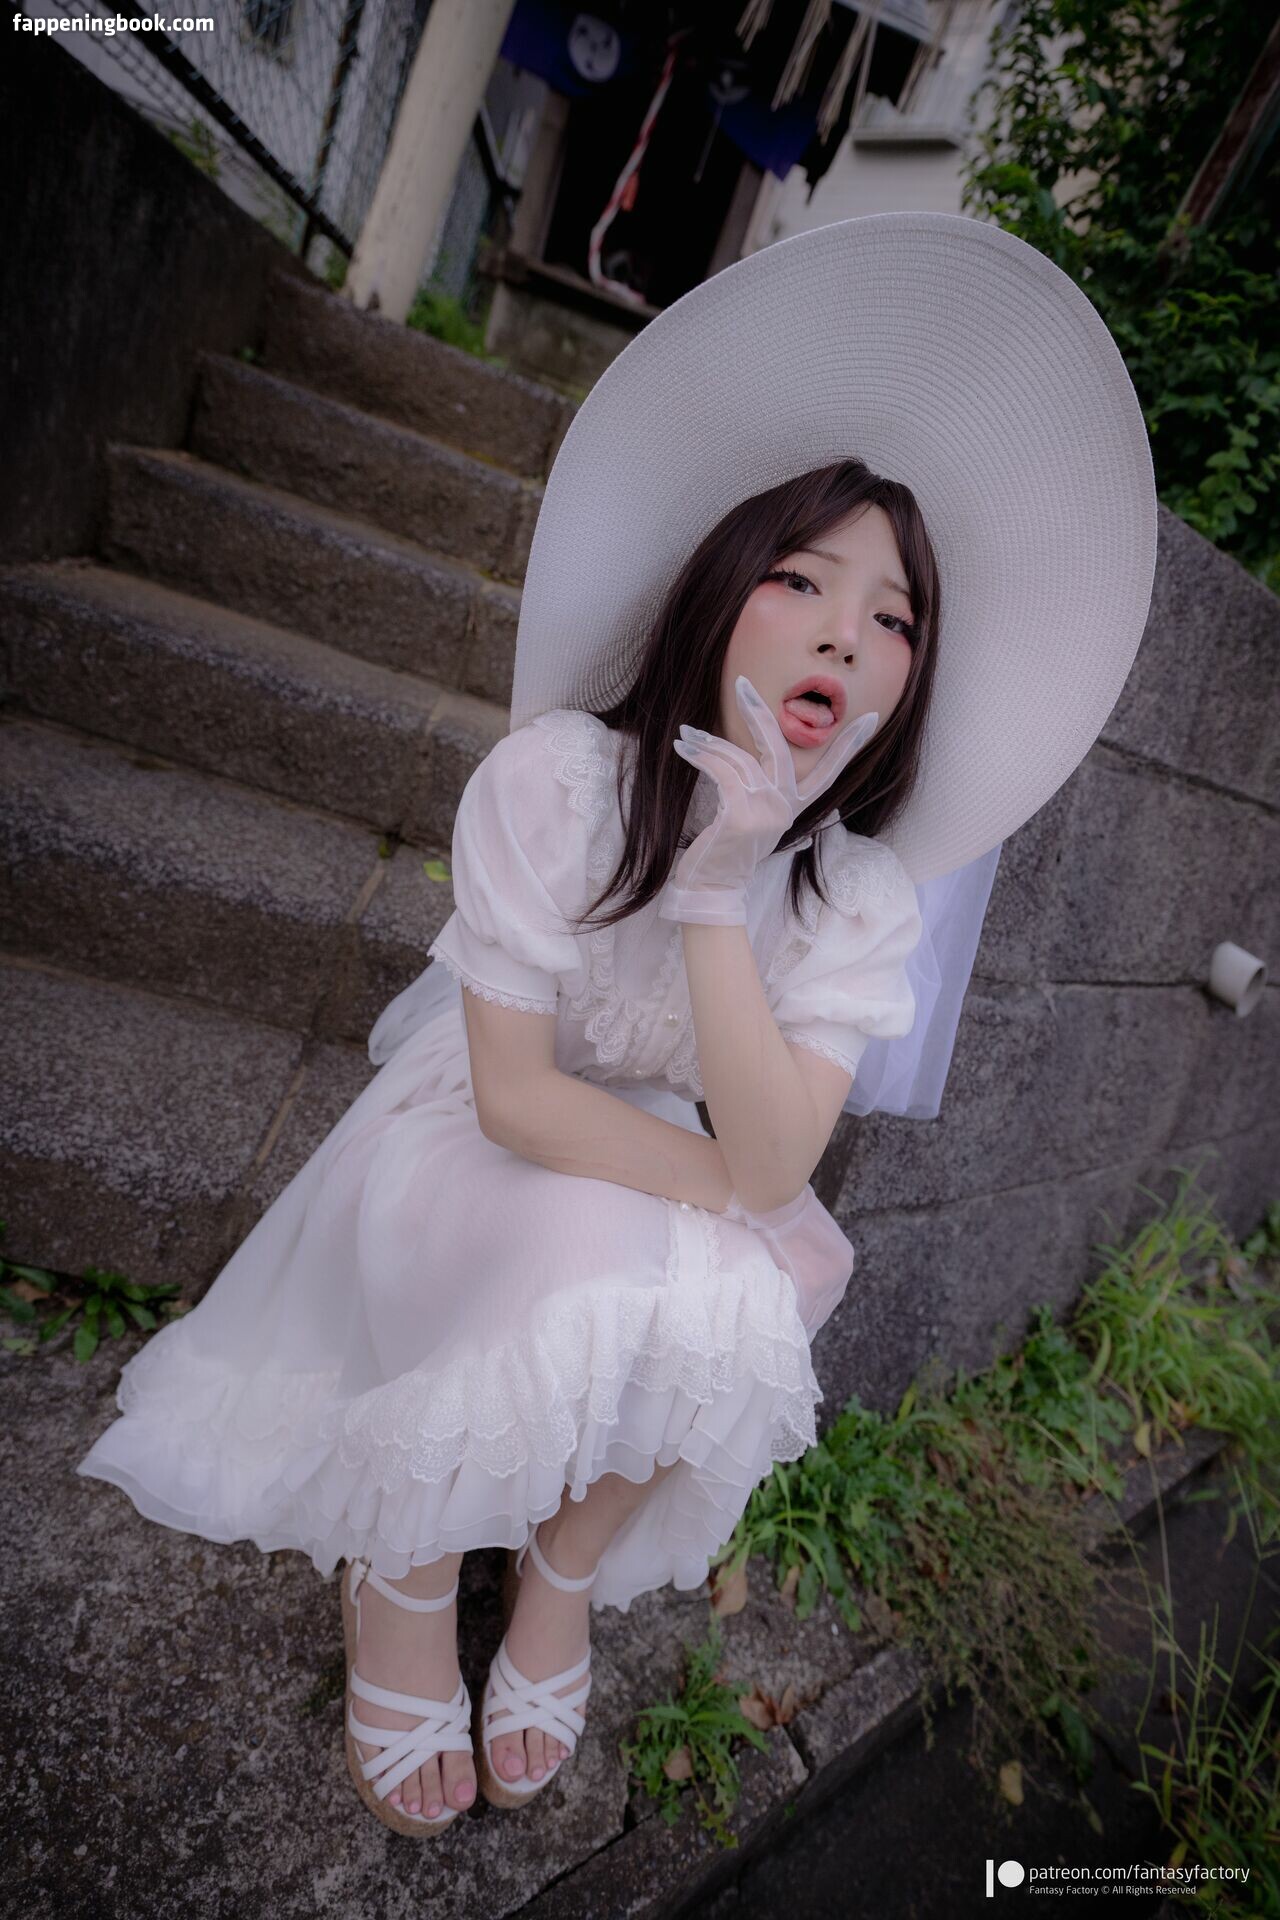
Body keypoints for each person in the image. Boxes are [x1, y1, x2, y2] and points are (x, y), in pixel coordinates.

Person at [76, 212, 1158, 1838]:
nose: (845, 631)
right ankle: (407, 1561)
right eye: (802, 579)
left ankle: (560, 1569)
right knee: (696, 1256)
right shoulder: (560, 787)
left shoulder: (857, 897)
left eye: (893, 617)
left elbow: (784, 1158)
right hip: (468, 1144)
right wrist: (724, 1191)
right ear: (720, 597)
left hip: (652, 1159)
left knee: (755, 1295)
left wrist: (722, 896)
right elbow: (524, 1100)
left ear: (907, 684)